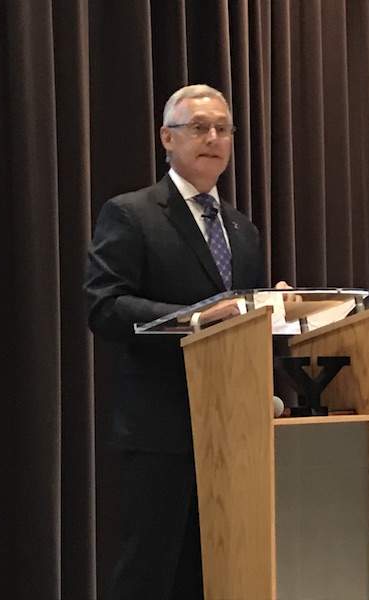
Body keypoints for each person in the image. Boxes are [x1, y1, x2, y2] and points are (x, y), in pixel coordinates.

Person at [84, 84, 269, 599]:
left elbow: (240, 314)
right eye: (198, 128)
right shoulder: (132, 213)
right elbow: (103, 306)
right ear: (167, 137)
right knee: (149, 570)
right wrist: (197, 319)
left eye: (223, 129)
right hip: (161, 426)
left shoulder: (241, 227)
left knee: (214, 570)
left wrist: (273, 310)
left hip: (233, 427)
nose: (213, 138)